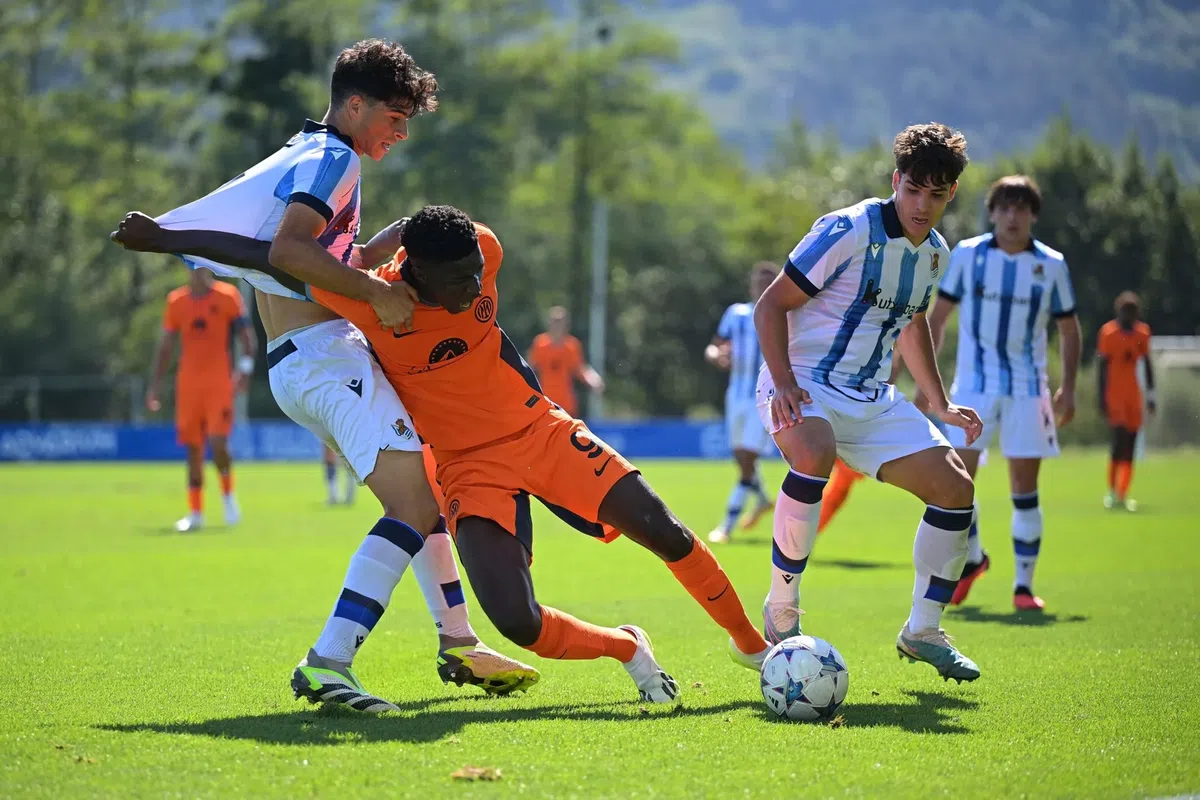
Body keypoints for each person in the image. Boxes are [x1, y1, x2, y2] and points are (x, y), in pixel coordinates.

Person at [111, 39, 537, 713]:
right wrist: (375, 292)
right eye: (394, 118)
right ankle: (327, 661)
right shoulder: (334, 157)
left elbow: (305, 257)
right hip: (322, 356)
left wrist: (388, 243)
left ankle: (458, 639)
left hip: (312, 356)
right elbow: (288, 252)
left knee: (420, 488)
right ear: (357, 104)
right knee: (416, 502)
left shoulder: (310, 149)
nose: (400, 133)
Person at [309, 205, 772, 703]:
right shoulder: (368, 298)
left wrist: (384, 245)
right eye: (459, 280)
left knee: (664, 530)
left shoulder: (484, 245)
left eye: (477, 275)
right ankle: (628, 647)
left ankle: (752, 647)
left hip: (541, 431)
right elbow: (296, 265)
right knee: (516, 621)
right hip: (467, 469)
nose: (473, 287)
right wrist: (370, 270)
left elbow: (420, 229)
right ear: (417, 273)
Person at [754, 122, 984, 683]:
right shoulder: (847, 229)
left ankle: (922, 631)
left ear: (950, 193)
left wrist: (940, 402)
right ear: (895, 180)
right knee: (814, 452)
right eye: (913, 190)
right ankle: (781, 609)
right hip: (803, 381)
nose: (922, 205)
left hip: (871, 398)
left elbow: (913, 325)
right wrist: (783, 381)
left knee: (956, 489)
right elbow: (770, 305)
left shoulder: (934, 254)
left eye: (936, 195)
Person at [925, 175, 1082, 611]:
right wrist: (928, 382)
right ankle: (973, 558)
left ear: (1033, 215)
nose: (1013, 216)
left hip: (1029, 390)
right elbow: (936, 320)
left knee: (1024, 488)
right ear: (992, 213)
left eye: (1022, 208)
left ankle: (1023, 588)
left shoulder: (1051, 264)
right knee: (956, 481)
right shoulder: (968, 255)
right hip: (972, 387)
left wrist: (1067, 388)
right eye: (1005, 208)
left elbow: (1069, 328)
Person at [147, 267, 255, 532]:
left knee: (218, 443)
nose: (199, 271)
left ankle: (229, 499)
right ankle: (195, 513)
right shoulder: (176, 301)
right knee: (193, 448)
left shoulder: (228, 296)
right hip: (188, 386)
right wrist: (155, 385)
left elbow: (248, 339)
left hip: (219, 383)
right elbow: (166, 346)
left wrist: (244, 370)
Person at [705, 263, 777, 543]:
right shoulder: (737, 314)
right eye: (758, 282)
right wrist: (715, 356)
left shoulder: (783, 313)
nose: (762, 287)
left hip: (766, 398)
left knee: (747, 457)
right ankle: (761, 499)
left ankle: (726, 525)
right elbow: (715, 345)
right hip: (736, 395)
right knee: (741, 458)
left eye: (768, 281)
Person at [1097, 291, 1154, 512]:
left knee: (1130, 445)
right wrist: (1101, 397)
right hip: (1115, 396)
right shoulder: (1109, 333)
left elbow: (1147, 364)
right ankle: (1111, 492)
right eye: (1125, 310)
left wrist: (1151, 395)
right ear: (1119, 311)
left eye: (1132, 311)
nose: (1128, 315)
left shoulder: (1142, 333)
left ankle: (1123, 493)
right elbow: (1102, 368)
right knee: (1118, 442)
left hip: (1133, 396)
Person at [526, 306, 604, 417]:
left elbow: (580, 369)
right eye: (555, 321)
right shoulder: (540, 344)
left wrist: (593, 379)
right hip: (545, 402)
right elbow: (528, 368)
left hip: (566, 404)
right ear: (549, 323)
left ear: (566, 324)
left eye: (560, 322)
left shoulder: (572, 345)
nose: (558, 325)